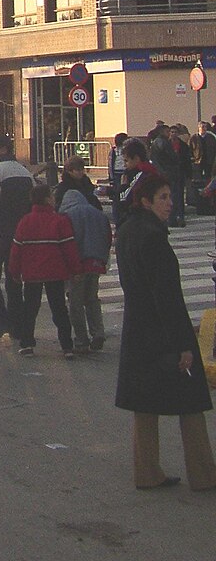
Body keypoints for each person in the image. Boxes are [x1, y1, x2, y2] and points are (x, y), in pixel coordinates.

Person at [115, 174, 216, 489]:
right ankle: (203, 474)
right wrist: (183, 345)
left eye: (170, 196)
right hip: (162, 331)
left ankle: (146, 471)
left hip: (138, 329)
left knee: (145, 404)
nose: (170, 203)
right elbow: (167, 296)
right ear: (146, 201)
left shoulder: (128, 231)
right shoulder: (153, 238)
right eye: (162, 197)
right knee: (191, 402)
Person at [8, 184, 80, 358]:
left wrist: (15, 272)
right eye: (52, 196)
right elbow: (69, 248)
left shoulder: (25, 221)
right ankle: (66, 345)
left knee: (30, 309)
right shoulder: (59, 221)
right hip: (55, 271)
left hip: (32, 273)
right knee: (59, 308)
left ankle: (26, 344)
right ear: (48, 199)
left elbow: (16, 250)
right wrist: (76, 270)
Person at [0, 135, 34, 344]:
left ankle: (1, 320)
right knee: (14, 281)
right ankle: (17, 326)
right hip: (19, 236)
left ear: (3, 149)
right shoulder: (24, 172)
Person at [59, 187, 112, 354]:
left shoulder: (67, 216)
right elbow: (108, 237)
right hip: (96, 262)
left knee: (75, 304)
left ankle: (81, 339)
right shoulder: (98, 214)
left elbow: (66, 243)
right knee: (92, 299)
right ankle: (98, 332)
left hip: (77, 265)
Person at [117, 138, 161, 225]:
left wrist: (123, 187)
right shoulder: (150, 170)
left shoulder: (141, 174)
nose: (124, 165)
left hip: (139, 220)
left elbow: (124, 198)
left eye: (126, 161)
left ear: (136, 158)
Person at [108, 132, 129, 224]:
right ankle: (117, 217)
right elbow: (110, 164)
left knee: (124, 195)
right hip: (117, 173)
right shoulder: (114, 150)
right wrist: (111, 179)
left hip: (125, 172)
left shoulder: (128, 150)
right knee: (117, 196)